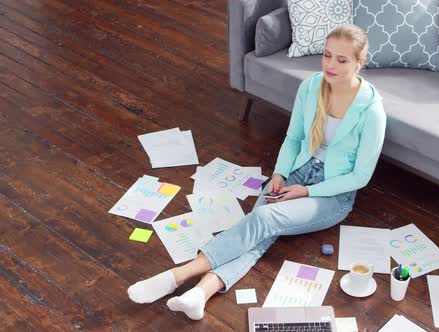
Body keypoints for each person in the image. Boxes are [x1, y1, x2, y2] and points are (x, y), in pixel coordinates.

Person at [127, 24, 386, 320]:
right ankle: (200, 293)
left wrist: (306, 191)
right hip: (299, 171)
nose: (330, 64)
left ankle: (176, 276)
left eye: (341, 60)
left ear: (359, 63)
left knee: (262, 218)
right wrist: (279, 174)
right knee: (259, 231)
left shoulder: (372, 111)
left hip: (332, 194)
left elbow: (360, 177)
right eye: (327, 55)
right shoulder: (311, 87)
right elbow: (294, 139)